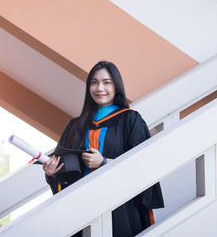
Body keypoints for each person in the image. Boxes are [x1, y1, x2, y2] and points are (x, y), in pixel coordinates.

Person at [43, 61, 164, 237]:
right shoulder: (75, 125)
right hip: (81, 205)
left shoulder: (130, 120)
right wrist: (53, 172)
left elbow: (142, 165)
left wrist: (104, 162)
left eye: (107, 82)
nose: (100, 88)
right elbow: (67, 169)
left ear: (116, 86)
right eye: (94, 82)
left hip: (120, 205)